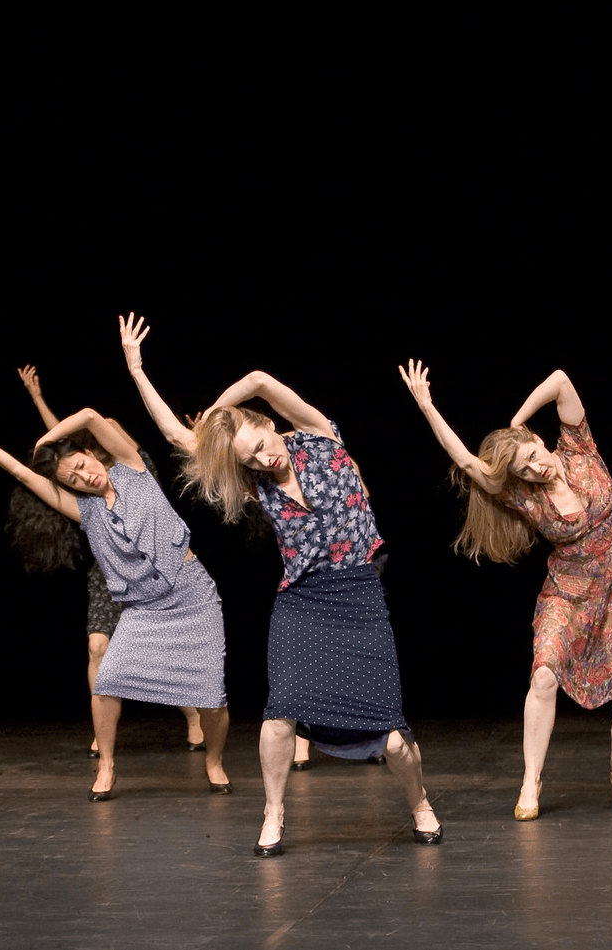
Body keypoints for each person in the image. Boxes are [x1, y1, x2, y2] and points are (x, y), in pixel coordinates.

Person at [120, 314, 442, 854]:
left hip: (360, 595)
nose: (264, 457)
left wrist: (220, 417)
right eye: (250, 458)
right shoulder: (256, 484)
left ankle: (420, 804)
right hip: (302, 600)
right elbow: (178, 438)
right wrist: (137, 370)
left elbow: (261, 379)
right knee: (279, 716)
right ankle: (273, 814)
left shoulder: (319, 434)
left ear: (269, 424)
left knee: (392, 738)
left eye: (262, 443)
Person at [401, 363, 612, 820]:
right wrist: (426, 404)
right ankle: (531, 781)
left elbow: (559, 380)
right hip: (567, 595)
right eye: (524, 470)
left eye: (533, 455)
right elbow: (465, 461)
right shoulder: (524, 496)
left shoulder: (579, 447)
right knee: (543, 676)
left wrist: (517, 422)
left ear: (540, 441)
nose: (535, 467)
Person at [0, 391, 231, 801]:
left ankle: (214, 761)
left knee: (212, 696)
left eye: (82, 466)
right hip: (143, 609)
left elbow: (86, 413)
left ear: (90, 453)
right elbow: (21, 473)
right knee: (107, 683)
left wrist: (45, 442)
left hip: (192, 594)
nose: (85, 478)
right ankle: (106, 764)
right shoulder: (83, 510)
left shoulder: (132, 467)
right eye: (73, 480)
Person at [15, 365, 207, 756]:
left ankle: (192, 717)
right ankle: (102, 731)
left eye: (114, 428)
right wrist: (38, 400)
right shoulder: (85, 478)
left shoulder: (137, 467)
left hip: (152, 572)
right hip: (108, 574)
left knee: (161, 651)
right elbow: (60, 456)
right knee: (98, 646)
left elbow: (86, 431)